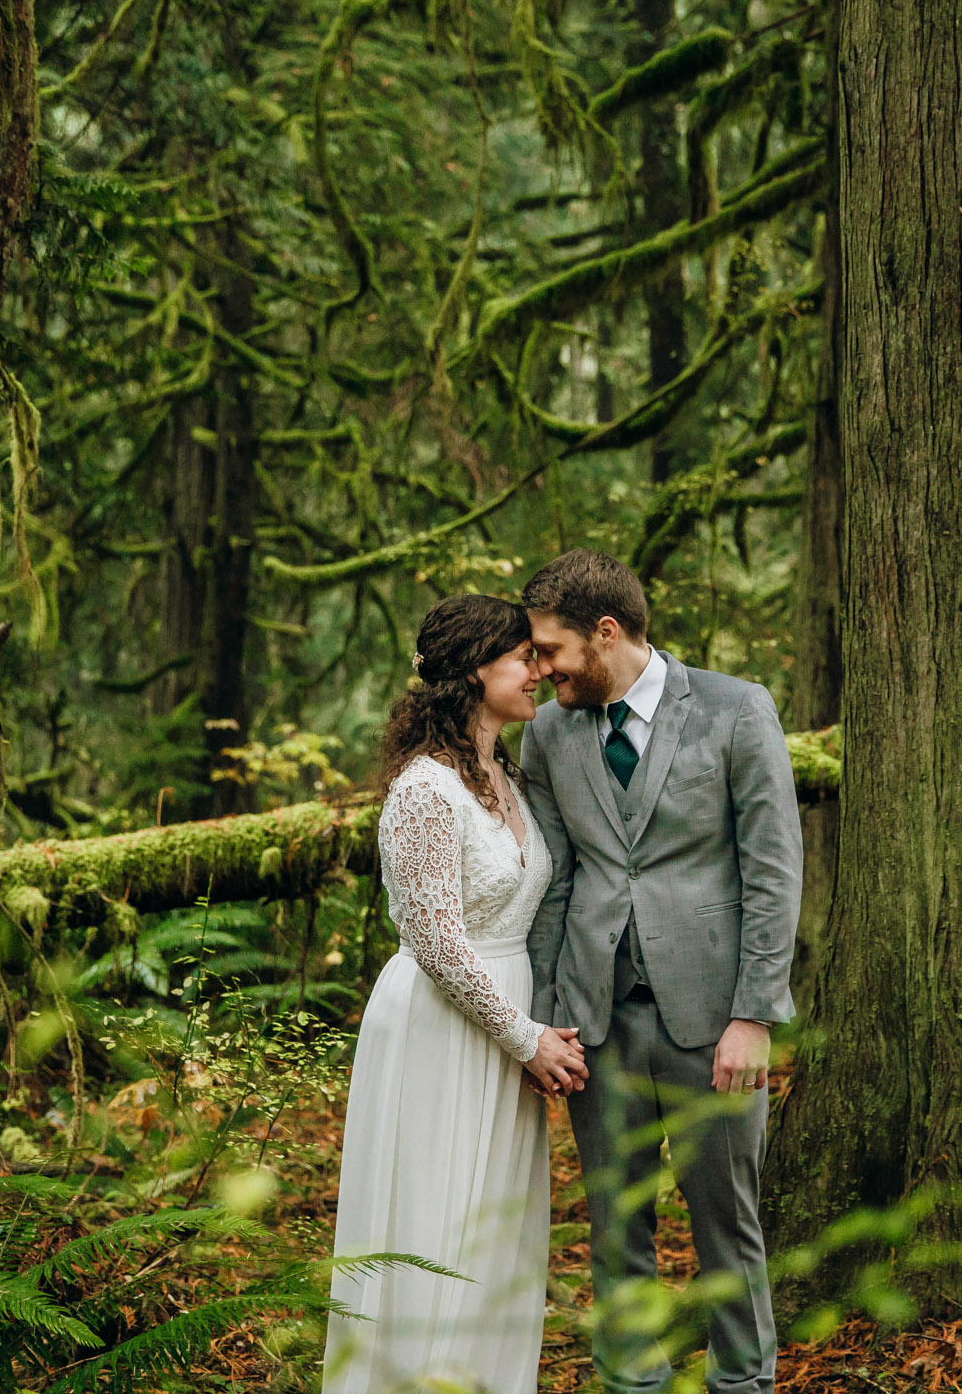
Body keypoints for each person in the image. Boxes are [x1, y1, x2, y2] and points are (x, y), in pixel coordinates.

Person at [521, 549, 803, 1394]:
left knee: (729, 1226)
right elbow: (553, 882)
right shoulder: (547, 733)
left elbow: (773, 870)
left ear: (605, 634)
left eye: (548, 651)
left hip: (715, 1021)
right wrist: (543, 1021)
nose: (538, 672)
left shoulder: (736, 710)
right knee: (616, 1231)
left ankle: (743, 1382)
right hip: (597, 1024)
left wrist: (755, 1014)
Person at [323, 593, 590, 1393]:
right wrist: (526, 1037)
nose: (540, 670)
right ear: (477, 670)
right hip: (440, 1026)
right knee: (433, 1217)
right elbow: (437, 942)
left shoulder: (504, 773)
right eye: (524, 657)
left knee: (493, 1231)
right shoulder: (423, 792)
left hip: (504, 1015)